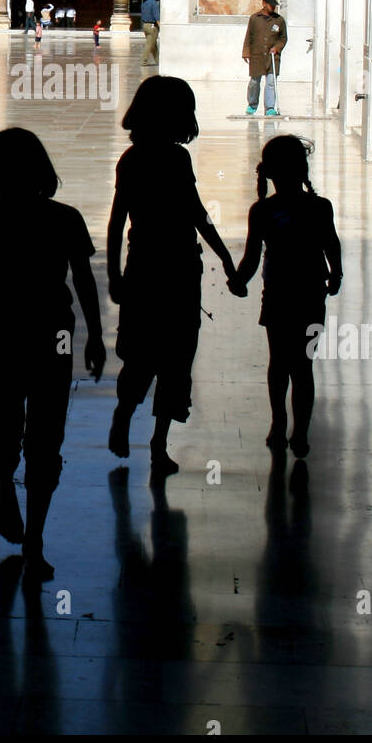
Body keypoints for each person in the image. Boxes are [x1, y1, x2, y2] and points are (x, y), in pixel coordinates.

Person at [0, 127, 105, 579]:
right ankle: (35, 538)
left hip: (1, 336)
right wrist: (95, 337)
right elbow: (83, 283)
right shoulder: (65, 218)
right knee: (45, 433)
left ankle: (5, 491)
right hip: (53, 335)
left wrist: (0, 315)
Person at [107, 77, 242, 476]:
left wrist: (116, 274)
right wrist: (225, 258)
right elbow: (196, 215)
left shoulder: (133, 160)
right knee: (174, 359)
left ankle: (131, 420)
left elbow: (118, 224)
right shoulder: (172, 160)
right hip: (180, 269)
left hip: (146, 267)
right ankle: (156, 442)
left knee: (142, 356)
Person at [233, 135, 342, 459]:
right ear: (303, 169)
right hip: (311, 295)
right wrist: (335, 274)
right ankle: (301, 433)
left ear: (269, 174)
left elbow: (252, 256)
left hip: (277, 295)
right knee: (303, 365)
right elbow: (331, 244)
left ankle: (279, 423)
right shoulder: (320, 207)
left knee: (278, 362)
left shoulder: (263, 210)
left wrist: (239, 280)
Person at [243, 0, 287, 116]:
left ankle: (270, 108)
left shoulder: (279, 20)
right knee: (254, 82)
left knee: (271, 82)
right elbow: (248, 36)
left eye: (275, 5)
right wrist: (246, 52)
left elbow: (283, 38)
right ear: (264, 4)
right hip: (257, 55)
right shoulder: (254, 18)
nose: (273, 7)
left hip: (272, 57)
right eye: (271, 5)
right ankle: (252, 104)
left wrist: (277, 47)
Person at [140, 0, 160, 66]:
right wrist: (161, 26)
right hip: (152, 26)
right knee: (149, 44)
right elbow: (156, 17)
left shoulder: (145, 3)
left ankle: (158, 60)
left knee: (153, 44)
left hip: (145, 25)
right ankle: (143, 61)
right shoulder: (154, 3)